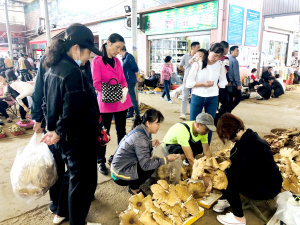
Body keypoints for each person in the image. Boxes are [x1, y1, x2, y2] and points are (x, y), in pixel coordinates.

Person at [41, 23, 103, 225]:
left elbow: (45, 102)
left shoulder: (53, 68)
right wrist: (58, 131)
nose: (88, 58)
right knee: (81, 181)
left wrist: (53, 129)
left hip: (65, 137)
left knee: (71, 175)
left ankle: (61, 211)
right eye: (87, 53)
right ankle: (78, 222)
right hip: (77, 137)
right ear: (76, 48)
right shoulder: (73, 72)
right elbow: (73, 109)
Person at [213, 113, 282, 225]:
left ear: (229, 131)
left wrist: (220, 173)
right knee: (227, 173)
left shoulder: (248, 148)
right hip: (273, 183)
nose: (226, 138)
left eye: (224, 135)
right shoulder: (251, 137)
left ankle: (239, 218)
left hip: (266, 189)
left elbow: (241, 173)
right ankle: (227, 200)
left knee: (225, 178)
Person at [111, 108, 178, 195]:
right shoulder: (140, 138)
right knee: (151, 165)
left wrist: (150, 144)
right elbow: (146, 165)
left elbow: (137, 147)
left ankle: (133, 181)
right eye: (157, 123)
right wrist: (166, 159)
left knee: (152, 160)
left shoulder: (140, 129)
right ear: (148, 123)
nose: (159, 126)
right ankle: (133, 187)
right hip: (119, 176)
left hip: (118, 168)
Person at [92, 33, 132, 175]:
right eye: (116, 47)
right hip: (106, 102)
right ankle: (100, 161)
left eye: (120, 48)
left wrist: (125, 90)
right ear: (108, 43)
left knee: (122, 132)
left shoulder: (117, 61)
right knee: (104, 133)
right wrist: (114, 91)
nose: (118, 51)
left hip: (120, 102)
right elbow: (96, 83)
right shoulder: (97, 61)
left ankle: (119, 157)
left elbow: (122, 79)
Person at [186, 43, 227, 144]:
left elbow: (223, 82)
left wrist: (218, 85)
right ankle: (192, 148)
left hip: (212, 98)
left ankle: (206, 148)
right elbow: (188, 83)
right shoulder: (197, 64)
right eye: (214, 55)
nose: (216, 58)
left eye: (218, 56)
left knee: (209, 124)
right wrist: (202, 84)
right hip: (197, 96)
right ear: (209, 51)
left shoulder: (220, 66)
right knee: (194, 123)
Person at [178, 42, 200, 120]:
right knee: (184, 97)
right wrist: (186, 71)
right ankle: (183, 113)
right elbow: (180, 67)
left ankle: (195, 114)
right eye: (198, 47)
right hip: (186, 79)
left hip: (196, 81)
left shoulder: (199, 57)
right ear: (193, 48)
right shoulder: (185, 56)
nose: (199, 49)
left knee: (195, 97)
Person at [120, 46, 141, 121]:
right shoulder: (124, 58)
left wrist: (137, 77)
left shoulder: (129, 56)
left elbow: (135, 68)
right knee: (128, 98)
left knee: (132, 98)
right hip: (126, 81)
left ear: (121, 50)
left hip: (130, 81)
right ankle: (130, 113)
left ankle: (138, 115)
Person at [214, 41, 231, 126]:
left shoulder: (212, 57)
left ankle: (213, 120)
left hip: (212, 84)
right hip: (220, 85)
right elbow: (225, 71)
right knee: (225, 103)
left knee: (214, 104)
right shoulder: (225, 59)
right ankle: (217, 120)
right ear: (225, 48)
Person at [227, 46, 242, 113]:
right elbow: (236, 73)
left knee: (229, 98)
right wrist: (238, 84)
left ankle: (227, 112)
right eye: (237, 51)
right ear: (232, 51)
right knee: (238, 97)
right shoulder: (234, 61)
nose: (238, 52)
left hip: (227, 82)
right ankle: (227, 111)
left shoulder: (227, 59)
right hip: (233, 83)